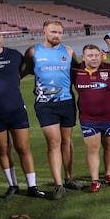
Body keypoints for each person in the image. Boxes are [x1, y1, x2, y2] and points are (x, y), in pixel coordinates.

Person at [0, 22, 46, 199]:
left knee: (23, 148)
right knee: (4, 150)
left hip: (16, 109)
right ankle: (12, 185)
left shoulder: (14, 55)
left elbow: (21, 74)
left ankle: (32, 186)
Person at [23, 20, 83, 199]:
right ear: (44, 31)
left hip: (66, 101)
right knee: (54, 142)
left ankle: (69, 178)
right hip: (45, 104)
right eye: (53, 32)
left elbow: (77, 74)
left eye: (59, 32)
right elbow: (21, 72)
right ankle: (58, 185)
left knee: (67, 140)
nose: (56, 35)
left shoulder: (69, 51)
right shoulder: (33, 51)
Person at [72, 44, 110, 193]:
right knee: (93, 149)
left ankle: (108, 175)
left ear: (101, 55)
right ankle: (95, 180)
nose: (94, 58)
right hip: (88, 119)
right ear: (83, 57)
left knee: (109, 147)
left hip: (109, 117)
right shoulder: (75, 71)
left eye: (96, 55)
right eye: (90, 55)